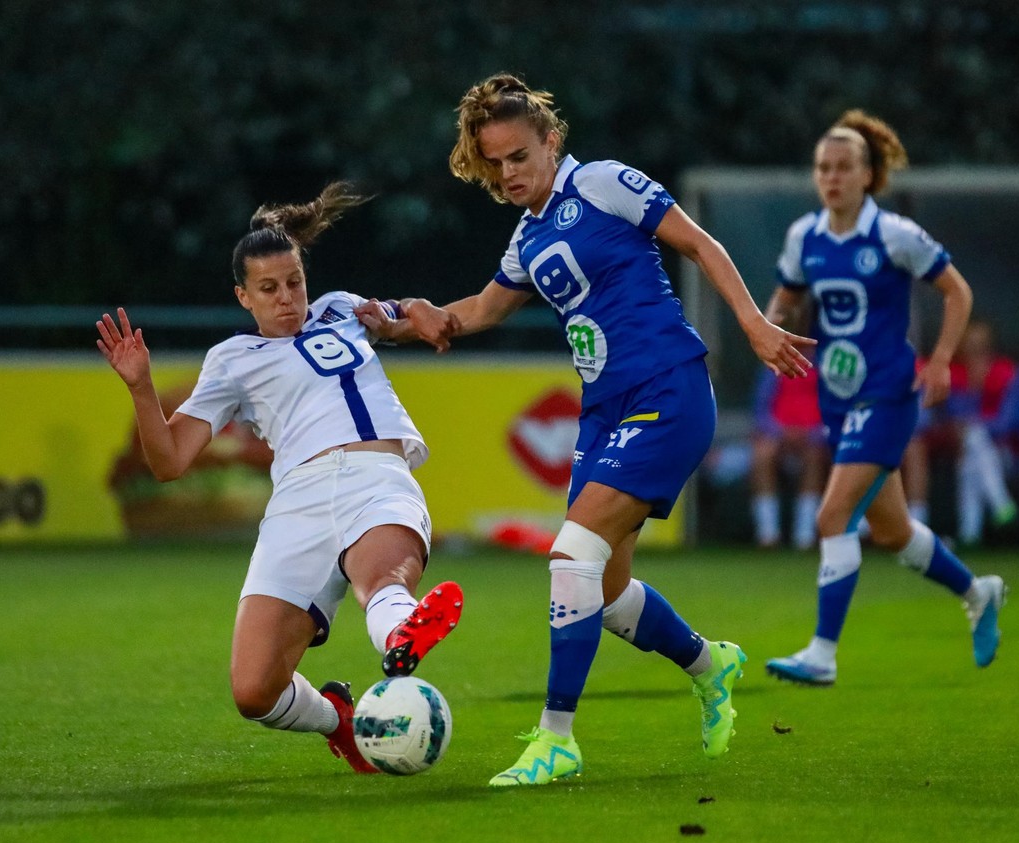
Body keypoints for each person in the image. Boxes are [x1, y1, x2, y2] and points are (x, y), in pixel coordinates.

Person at [393, 73, 814, 787]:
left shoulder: (604, 183)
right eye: (494, 164)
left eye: (519, 156)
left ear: (551, 141)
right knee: (607, 593)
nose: (508, 174)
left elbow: (701, 245)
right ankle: (713, 666)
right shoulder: (526, 236)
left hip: (669, 389)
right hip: (605, 410)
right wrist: (417, 316)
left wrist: (753, 324)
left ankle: (557, 739)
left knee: (571, 555)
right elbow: (483, 311)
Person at [95, 182, 464, 775]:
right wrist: (141, 385)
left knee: (381, 579)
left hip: (377, 474)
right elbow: (168, 463)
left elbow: (403, 314)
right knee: (253, 691)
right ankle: (339, 720)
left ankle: (403, 634)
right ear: (243, 295)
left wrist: (414, 316)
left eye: (294, 282)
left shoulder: (344, 308)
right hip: (298, 502)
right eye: (269, 289)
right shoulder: (231, 360)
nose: (287, 298)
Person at [762, 110, 1007, 687]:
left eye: (845, 167)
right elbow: (786, 299)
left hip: (890, 394)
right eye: (824, 167)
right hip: (839, 397)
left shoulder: (893, 234)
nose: (832, 177)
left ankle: (823, 653)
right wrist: (770, 326)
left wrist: (942, 359)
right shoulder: (806, 236)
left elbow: (956, 291)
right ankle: (979, 592)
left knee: (833, 515)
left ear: (868, 174)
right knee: (894, 532)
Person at [950, 318, 1019, 546]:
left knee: (975, 438)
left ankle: (972, 529)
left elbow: (1007, 423)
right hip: (967, 451)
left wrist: (982, 389)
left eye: (981, 348)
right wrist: (972, 389)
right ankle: (989, 516)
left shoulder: (1005, 372)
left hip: (1007, 453)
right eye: (969, 348)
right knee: (972, 453)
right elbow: (951, 420)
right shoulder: (954, 374)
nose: (975, 354)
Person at [750, 365, 828, 550]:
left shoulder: (825, 364)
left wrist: (809, 434)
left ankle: (805, 536)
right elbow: (760, 411)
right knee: (762, 453)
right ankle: (767, 535)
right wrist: (782, 433)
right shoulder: (774, 366)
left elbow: (833, 410)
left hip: (814, 438)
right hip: (779, 437)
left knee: (814, 456)